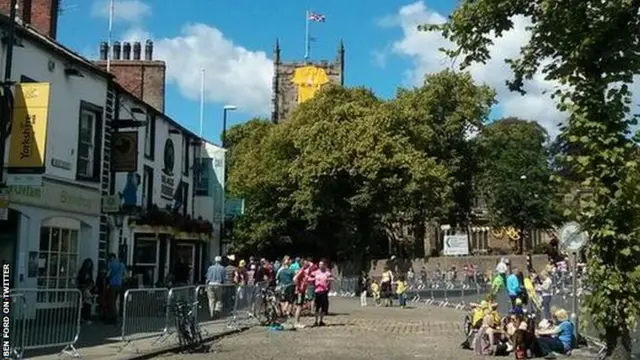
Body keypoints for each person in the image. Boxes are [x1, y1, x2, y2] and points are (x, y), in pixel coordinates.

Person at [309, 260, 332, 327]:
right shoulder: (315, 272)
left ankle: (321, 320)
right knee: (317, 306)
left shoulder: (327, 273)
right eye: (319, 264)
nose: (320, 266)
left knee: (323, 307)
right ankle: (316, 321)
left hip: (324, 291)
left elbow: (331, 278)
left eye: (322, 264)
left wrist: (329, 280)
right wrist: (313, 280)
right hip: (317, 291)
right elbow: (309, 277)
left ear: (325, 265)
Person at [106, 253, 125, 324]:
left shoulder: (111, 264)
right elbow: (125, 275)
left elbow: (108, 274)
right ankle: (114, 316)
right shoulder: (122, 265)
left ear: (111, 258)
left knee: (111, 302)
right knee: (115, 300)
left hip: (113, 284)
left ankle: (114, 316)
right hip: (119, 285)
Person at [292, 260, 311, 329]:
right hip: (299, 291)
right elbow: (294, 279)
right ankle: (296, 322)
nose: (308, 264)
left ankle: (297, 321)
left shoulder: (304, 271)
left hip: (302, 291)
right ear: (303, 264)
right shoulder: (301, 270)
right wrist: (298, 286)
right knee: (299, 306)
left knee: (300, 306)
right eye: (306, 263)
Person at [77, 258, 94, 324]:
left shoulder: (88, 271)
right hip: (84, 288)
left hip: (87, 288)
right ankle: (83, 318)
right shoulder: (83, 271)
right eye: (88, 264)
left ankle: (84, 318)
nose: (89, 265)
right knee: (84, 304)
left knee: (86, 304)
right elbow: (80, 279)